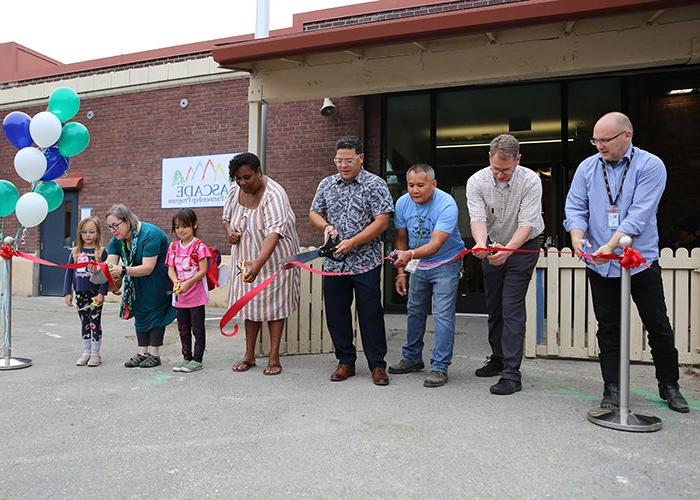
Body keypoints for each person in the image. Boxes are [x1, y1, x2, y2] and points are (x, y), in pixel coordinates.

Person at [564, 111, 689, 413]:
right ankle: (613, 388)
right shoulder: (587, 168)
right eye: (596, 140)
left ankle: (669, 385)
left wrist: (610, 244)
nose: (599, 146)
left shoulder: (650, 166)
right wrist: (577, 236)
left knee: (657, 324)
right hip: (600, 264)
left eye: (605, 140)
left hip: (639, 260)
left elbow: (639, 214)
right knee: (608, 327)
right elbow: (575, 206)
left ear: (627, 136)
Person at [309, 135, 394, 386]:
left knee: (370, 314)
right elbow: (314, 212)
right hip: (335, 264)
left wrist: (353, 242)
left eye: (348, 160)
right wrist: (326, 227)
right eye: (338, 161)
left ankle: (377, 365)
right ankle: (345, 360)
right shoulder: (327, 184)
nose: (343, 166)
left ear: (361, 159)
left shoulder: (375, 184)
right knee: (336, 313)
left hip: (365, 261)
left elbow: (382, 221)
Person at [466, 134, 544, 395]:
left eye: (506, 170)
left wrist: (509, 251)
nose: (500, 174)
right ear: (489, 158)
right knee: (495, 303)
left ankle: (512, 373)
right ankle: (498, 358)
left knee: (511, 305)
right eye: (496, 168)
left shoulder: (531, 180)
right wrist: (480, 244)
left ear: (518, 160)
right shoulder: (476, 181)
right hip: (493, 241)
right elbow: (477, 218)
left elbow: (527, 224)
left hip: (524, 245)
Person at [222, 152, 300, 376]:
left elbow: (274, 233)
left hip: (275, 261)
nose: (242, 182)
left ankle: (274, 358)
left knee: (276, 307)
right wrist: (231, 233)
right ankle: (249, 355)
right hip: (245, 259)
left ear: (258, 172)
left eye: (247, 177)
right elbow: (226, 218)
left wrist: (258, 264)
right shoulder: (234, 191)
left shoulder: (275, 194)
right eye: (238, 178)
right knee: (249, 307)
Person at [388, 164, 464, 387]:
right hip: (417, 263)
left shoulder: (446, 204)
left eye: (420, 185)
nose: (414, 190)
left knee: (442, 313)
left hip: (446, 262)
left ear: (433, 184)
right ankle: (412, 358)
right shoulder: (402, 203)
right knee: (414, 310)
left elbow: (436, 244)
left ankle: (440, 367)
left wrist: (409, 254)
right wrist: (400, 272)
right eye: (410, 185)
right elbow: (401, 237)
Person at [106, 204, 175, 368]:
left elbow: (148, 267)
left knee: (156, 314)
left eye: (115, 225)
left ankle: (154, 353)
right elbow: (109, 263)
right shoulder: (117, 240)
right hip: (136, 281)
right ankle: (142, 352)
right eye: (109, 227)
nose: (113, 230)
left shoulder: (150, 234)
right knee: (140, 314)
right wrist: (101, 271)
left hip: (158, 280)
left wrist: (122, 270)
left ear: (127, 221)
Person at [166, 208, 210, 373]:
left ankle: (197, 359)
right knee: (183, 328)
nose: (180, 230)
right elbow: (170, 269)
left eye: (185, 226)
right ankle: (186, 357)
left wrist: (187, 283)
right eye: (177, 227)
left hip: (196, 296)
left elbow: (203, 270)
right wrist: (176, 281)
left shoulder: (199, 246)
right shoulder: (173, 247)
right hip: (180, 296)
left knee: (197, 328)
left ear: (194, 225)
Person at [63, 217, 108, 367]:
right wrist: (67, 292)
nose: (88, 235)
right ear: (80, 234)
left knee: (95, 321)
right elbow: (69, 273)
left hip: (95, 294)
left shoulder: (102, 252)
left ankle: (96, 353)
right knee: (84, 322)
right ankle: (86, 352)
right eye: (84, 232)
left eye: (91, 232)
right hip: (80, 293)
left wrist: (102, 293)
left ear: (98, 233)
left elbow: (105, 274)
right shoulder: (75, 252)